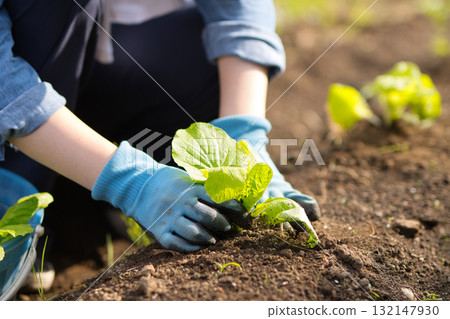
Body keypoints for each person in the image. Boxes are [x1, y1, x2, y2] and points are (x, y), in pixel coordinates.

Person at [0, 0, 320, 255]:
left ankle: (100, 200)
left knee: (198, 48)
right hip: (19, 114)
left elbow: (239, 8)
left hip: (117, 59)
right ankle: (22, 192)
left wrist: (243, 136)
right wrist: (132, 182)